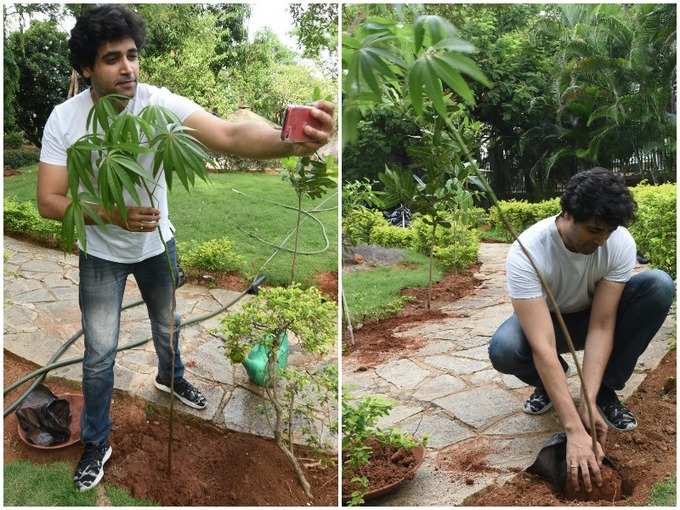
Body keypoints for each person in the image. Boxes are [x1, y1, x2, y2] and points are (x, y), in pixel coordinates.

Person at [36, 5, 334, 492]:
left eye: (132, 55)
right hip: (100, 253)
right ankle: (97, 442)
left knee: (168, 324)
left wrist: (293, 143)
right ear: (87, 68)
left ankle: (170, 377)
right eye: (112, 59)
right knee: (99, 355)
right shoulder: (65, 120)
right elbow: (50, 200)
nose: (127, 67)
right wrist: (112, 214)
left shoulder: (157, 104)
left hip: (158, 244)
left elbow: (231, 133)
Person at [488, 168, 674, 493]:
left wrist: (587, 403)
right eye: (594, 230)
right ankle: (548, 385)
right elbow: (543, 345)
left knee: (658, 285)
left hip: (591, 316)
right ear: (568, 214)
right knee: (504, 348)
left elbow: (602, 325)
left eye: (608, 231)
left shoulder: (617, 242)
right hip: (549, 321)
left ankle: (604, 392)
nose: (601, 240)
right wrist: (574, 428)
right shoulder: (528, 251)